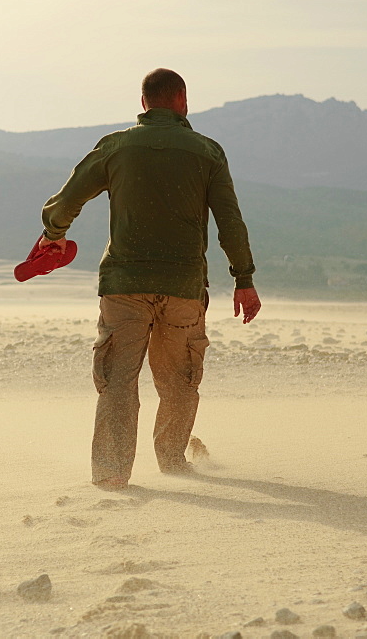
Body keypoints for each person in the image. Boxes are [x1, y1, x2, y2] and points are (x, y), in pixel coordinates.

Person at [38, 68, 261, 490]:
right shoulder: (208, 152)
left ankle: (111, 473)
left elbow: (66, 201)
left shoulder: (115, 146)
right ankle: (173, 463)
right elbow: (229, 220)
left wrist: (54, 233)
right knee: (178, 380)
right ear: (181, 100)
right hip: (184, 287)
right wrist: (244, 277)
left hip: (124, 283)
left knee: (118, 380)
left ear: (144, 103)